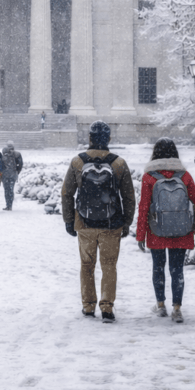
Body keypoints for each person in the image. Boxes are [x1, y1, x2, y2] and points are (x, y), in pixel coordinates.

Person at [60, 121, 135, 323]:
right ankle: (107, 307)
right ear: (108, 139)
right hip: (111, 224)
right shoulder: (118, 163)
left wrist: (69, 220)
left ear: (90, 138)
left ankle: (88, 305)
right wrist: (126, 222)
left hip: (84, 223)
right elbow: (128, 196)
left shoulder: (78, 162)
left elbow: (67, 193)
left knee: (87, 264)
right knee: (109, 265)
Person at [136, 138, 195, 324]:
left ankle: (161, 305)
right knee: (177, 269)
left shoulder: (150, 177)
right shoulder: (185, 176)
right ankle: (177, 308)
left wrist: (141, 234)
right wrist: (190, 225)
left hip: (157, 229)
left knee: (158, 267)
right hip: (180, 229)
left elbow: (144, 207)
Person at [1, 141, 23, 211]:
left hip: (5, 174)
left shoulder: (3, 153)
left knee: (6, 190)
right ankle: (10, 205)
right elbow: (20, 164)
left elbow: (1, 165)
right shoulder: (17, 154)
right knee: (11, 190)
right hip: (13, 174)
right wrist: (17, 171)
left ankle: (7, 204)